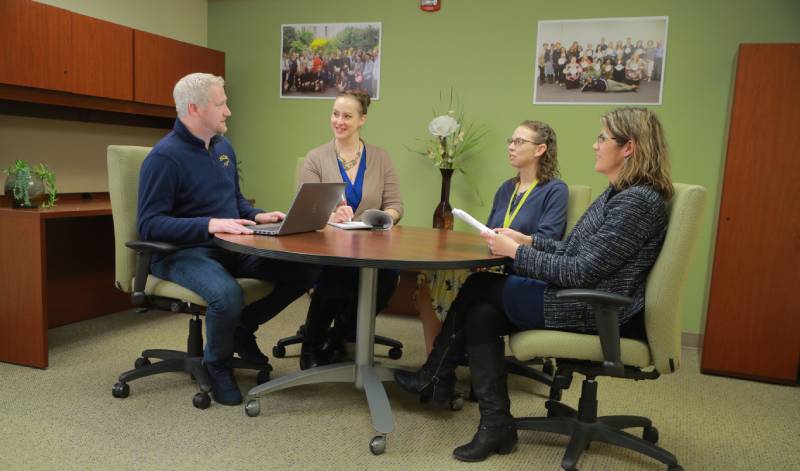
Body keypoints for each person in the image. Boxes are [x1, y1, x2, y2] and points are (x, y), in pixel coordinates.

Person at [395, 107, 673, 462]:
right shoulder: (618, 193)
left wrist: (515, 253)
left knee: (480, 288)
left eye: (602, 138)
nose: (594, 145)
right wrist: (527, 241)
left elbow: (583, 272)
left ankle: (435, 377)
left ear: (629, 148)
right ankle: (494, 423)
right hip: (583, 297)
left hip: (597, 307)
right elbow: (574, 250)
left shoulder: (637, 201)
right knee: (481, 313)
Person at [137, 73, 319, 405]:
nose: (228, 111)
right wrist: (209, 225)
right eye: (221, 104)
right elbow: (149, 224)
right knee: (227, 296)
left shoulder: (223, 148)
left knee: (303, 270)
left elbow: (234, 202)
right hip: (181, 253)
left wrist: (257, 215)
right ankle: (216, 364)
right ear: (195, 108)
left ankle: (241, 330)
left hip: (230, 246)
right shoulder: (164, 158)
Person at [415, 121, 568, 354]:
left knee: (449, 278)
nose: (511, 147)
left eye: (519, 142)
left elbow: (549, 241)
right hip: (490, 263)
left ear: (540, 149)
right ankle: (435, 358)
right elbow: (489, 229)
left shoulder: (555, 190)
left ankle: (441, 361)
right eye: (511, 141)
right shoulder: (507, 188)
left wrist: (514, 243)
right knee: (429, 276)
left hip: (521, 269)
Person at [297, 89, 404, 369]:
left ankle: (340, 335)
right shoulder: (315, 158)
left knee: (388, 277)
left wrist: (381, 218)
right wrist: (332, 213)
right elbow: (306, 209)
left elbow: (395, 205)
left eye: (347, 116)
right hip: (329, 245)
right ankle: (311, 344)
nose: (339, 121)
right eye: (335, 114)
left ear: (362, 120)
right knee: (336, 275)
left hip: (372, 245)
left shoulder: (381, 158)